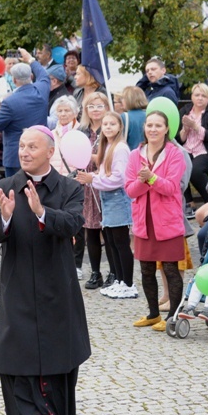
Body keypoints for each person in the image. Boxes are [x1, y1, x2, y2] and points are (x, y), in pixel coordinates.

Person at [0, 125, 90, 415]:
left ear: (49, 151)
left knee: (57, 353)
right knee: (21, 354)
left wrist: (42, 213)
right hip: (17, 284)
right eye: (22, 146)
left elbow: (73, 224)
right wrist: (4, 218)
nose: (24, 151)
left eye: (32, 147)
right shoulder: (3, 187)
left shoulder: (70, 188)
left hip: (57, 284)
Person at [127, 111, 186, 331]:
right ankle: (153, 313)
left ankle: (173, 315)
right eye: (149, 125)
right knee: (145, 269)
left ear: (166, 129)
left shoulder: (175, 154)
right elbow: (130, 190)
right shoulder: (135, 155)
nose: (153, 129)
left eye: (158, 125)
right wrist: (145, 181)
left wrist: (150, 177)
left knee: (171, 269)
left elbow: (171, 187)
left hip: (167, 221)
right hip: (144, 221)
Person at [77, 112, 136, 299]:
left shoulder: (120, 148)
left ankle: (128, 282)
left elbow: (118, 178)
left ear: (120, 127)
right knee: (110, 240)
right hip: (107, 197)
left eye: (112, 124)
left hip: (117, 198)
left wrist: (92, 178)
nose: (108, 127)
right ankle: (119, 279)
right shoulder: (108, 146)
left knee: (120, 242)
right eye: (106, 124)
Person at [77, 92, 115, 289]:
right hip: (86, 184)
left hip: (105, 183)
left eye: (99, 106)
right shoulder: (82, 129)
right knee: (90, 232)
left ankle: (113, 272)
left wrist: (91, 157)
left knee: (108, 231)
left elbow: (112, 156)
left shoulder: (110, 129)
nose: (95, 110)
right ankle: (95, 272)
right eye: (91, 106)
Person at [0, 48, 50, 177]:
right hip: (39, 154)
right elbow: (43, 75)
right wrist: (30, 59)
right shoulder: (41, 91)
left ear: (14, 80)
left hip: (16, 158)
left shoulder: (9, 102)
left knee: (15, 194)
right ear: (31, 77)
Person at [178, 83, 208, 210]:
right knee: (179, 165)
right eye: (197, 95)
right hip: (187, 148)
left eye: (203, 96)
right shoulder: (185, 110)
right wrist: (185, 130)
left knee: (195, 171)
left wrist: (196, 127)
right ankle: (188, 202)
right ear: (192, 97)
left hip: (205, 150)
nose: (200, 98)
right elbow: (179, 139)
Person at [119, 86, 147, 151]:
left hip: (131, 154)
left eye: (123, 98)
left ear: (129, 99)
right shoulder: (149, 115)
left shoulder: (124, 117)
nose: (121, 101)